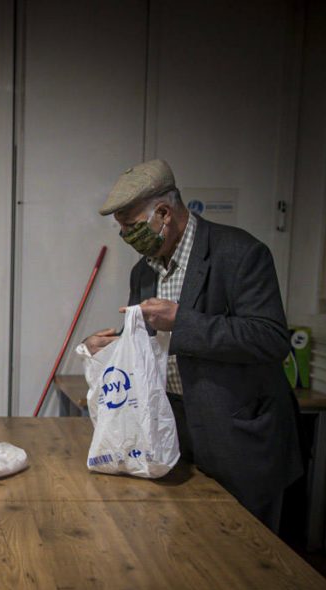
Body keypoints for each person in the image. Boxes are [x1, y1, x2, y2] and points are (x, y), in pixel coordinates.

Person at [82, 158, 302, 532]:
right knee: (189, 553)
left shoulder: (239, 253)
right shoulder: (144, 271)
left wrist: (182, 321)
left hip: (238, 439)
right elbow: (148, 340)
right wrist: (109, 345)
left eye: (132, 227)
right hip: (178, 435)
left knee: (250, 560)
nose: (127, 239)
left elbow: (270, 338)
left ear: (164, 213)